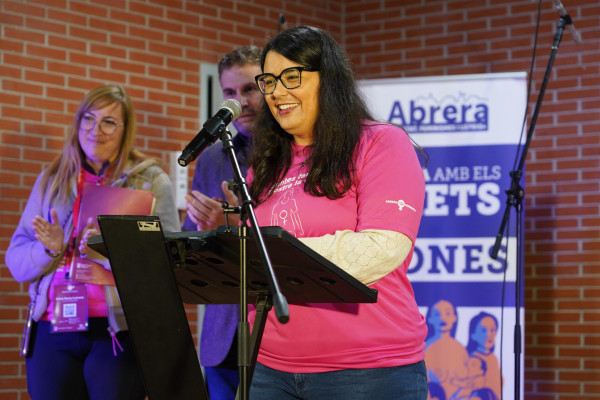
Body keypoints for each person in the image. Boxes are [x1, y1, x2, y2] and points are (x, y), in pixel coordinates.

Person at [246, 25, 428, 400]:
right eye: (268, 80)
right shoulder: (263, 165)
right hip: (268, 366)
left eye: (292, 76)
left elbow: (381, 248)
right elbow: (250, 260)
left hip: (367, 370)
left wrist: (273, 257)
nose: (278, 91)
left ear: (328, 79)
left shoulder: (380, 142)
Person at [5, 85, 180, 400]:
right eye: (88, 118)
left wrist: (112, 262)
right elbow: (17, 262)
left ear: (125, 130)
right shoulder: (52, 179)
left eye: (109, 122)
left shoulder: (151, 180)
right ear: (77, 123)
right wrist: (50, 249)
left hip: (117, 331)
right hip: (53, 326)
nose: (95, 130)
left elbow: (168, 263)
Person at [181, 45, 263, 400]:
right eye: (230, 93)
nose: (239, 102)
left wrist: (231, 222)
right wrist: (204, 228)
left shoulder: (295, 152)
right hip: (222, 334)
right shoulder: (213, 156)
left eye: (249, 89)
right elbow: (191, 242)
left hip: (272, 331)